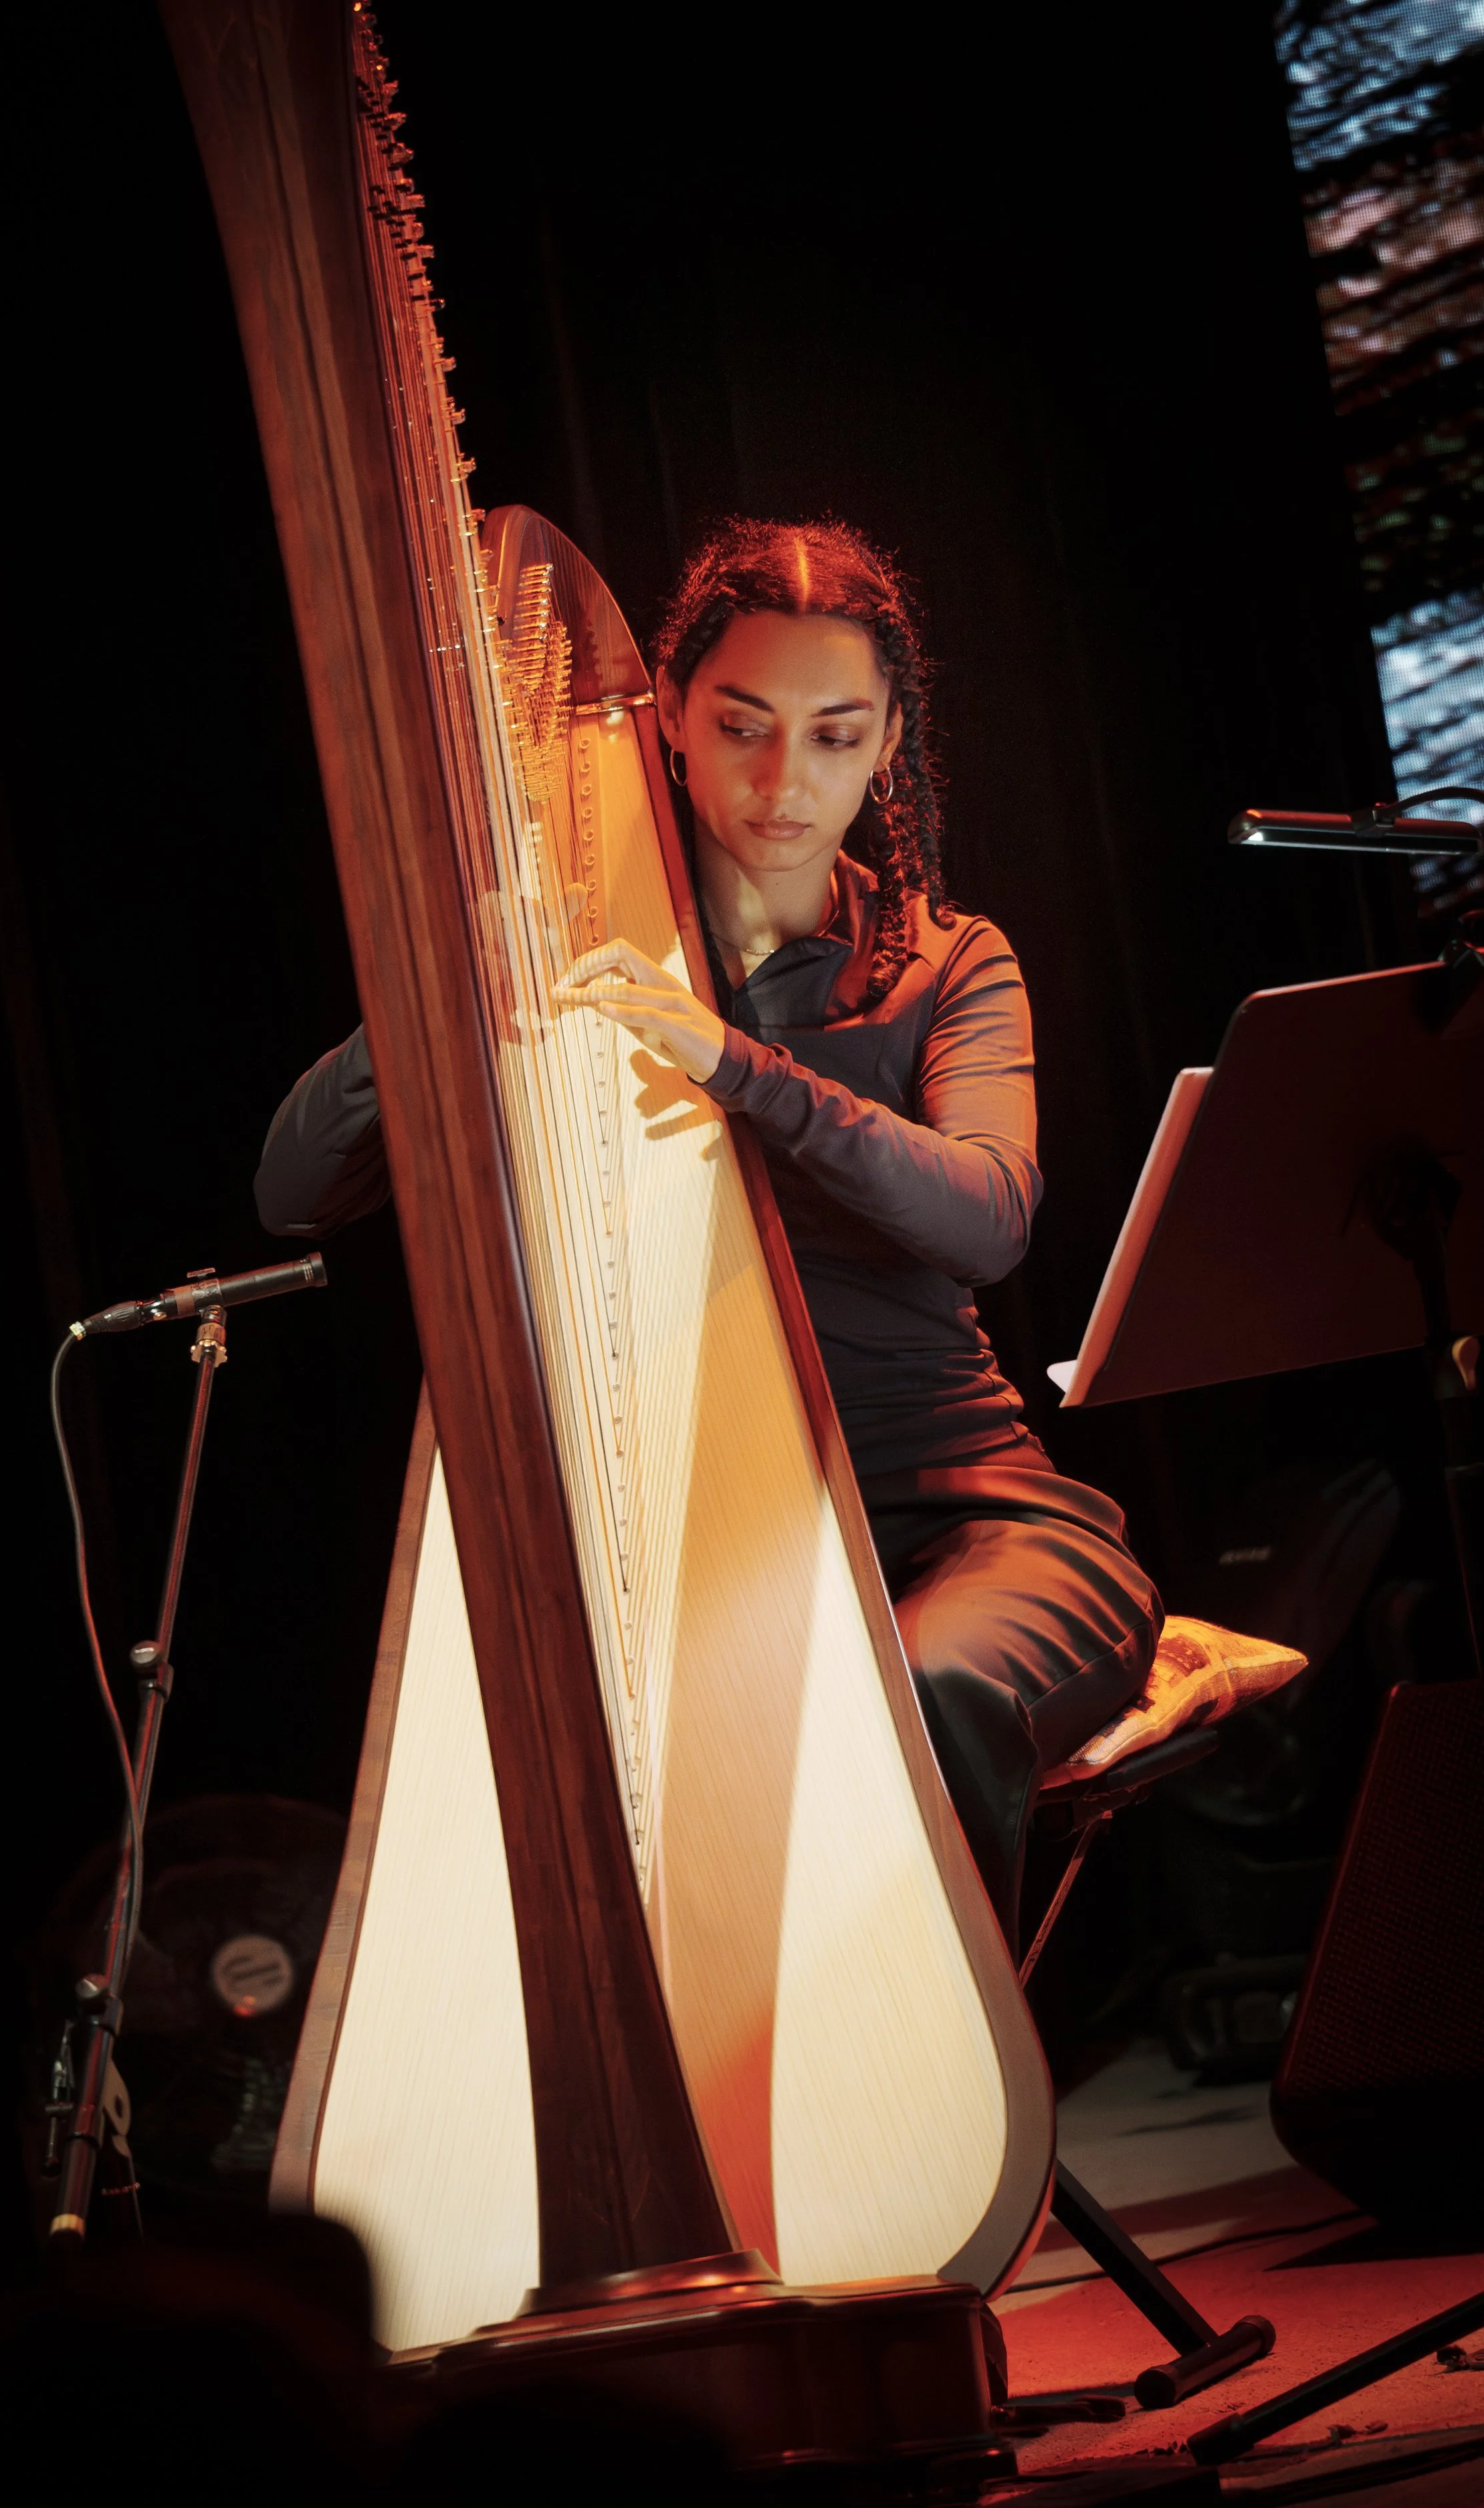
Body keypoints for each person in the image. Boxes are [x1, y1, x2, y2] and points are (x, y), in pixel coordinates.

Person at [255, 516, 1160, 1951]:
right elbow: (292, 1191)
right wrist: (437, 988)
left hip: (971, 1523)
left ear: (886, 746)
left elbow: (986, 1216)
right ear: (666, 715)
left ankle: (946, 2085)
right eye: (741, 726)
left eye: (832, 736)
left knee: (922, 1693)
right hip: (705, 1560)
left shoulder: (944, 962)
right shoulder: (581, 958)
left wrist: (740, 1066)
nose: (783, 781)